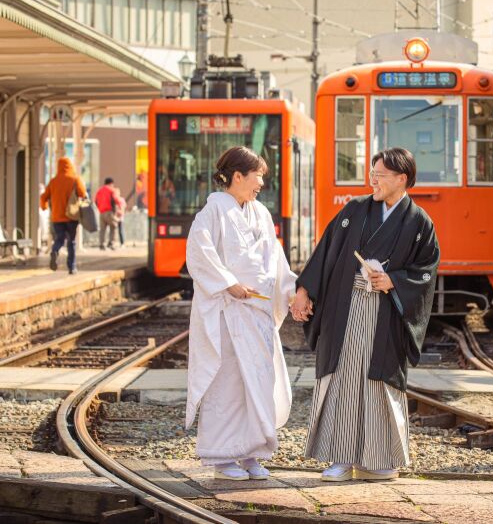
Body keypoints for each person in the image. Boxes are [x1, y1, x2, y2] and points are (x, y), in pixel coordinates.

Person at [291, 147, 440, 482]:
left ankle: (378, 458)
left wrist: (394, 281)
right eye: (372, 173)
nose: (373, 179)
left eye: (380, 174)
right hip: (345, 307)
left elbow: (427, 271)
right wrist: (304, 291)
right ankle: (341, 458)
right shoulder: (356, 210)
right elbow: (325, 250)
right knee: (343, 377)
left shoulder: (419, 222)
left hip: (385, 311)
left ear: (402, 179)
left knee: (377, 383)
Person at [185, 146, 295, 481]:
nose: (262, 181)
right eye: (258, 174)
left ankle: (251, 453)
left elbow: (275, 258)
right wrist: (228, 282)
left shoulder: (260, 213)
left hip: (258, 311)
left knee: (259, 382)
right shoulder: (213, 210)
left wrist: (291, 293)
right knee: (230, 383)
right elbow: (199, 253)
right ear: (238, 176)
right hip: (229, 312)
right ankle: (222, 456)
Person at [40, 157, 87, 275]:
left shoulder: (53, 181)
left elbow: (43, 197)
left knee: (59, 238)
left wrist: (44, 207)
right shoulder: (74, 179)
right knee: (71, 242)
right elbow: (82, 193)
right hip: (71, 216)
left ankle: (55, 250)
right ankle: (72, 267)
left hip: (57, 216)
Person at [95, 177, 117, 250]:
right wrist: (115, 211)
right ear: (111, 183)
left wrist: (99, 208)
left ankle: (102, 244)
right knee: (113, 227)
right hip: (109, 211)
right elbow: (115, 200)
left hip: (101, 212)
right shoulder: (111, 190)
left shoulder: (99, 191)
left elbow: (96, 201)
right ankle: (111, 243)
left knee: (102, 229)